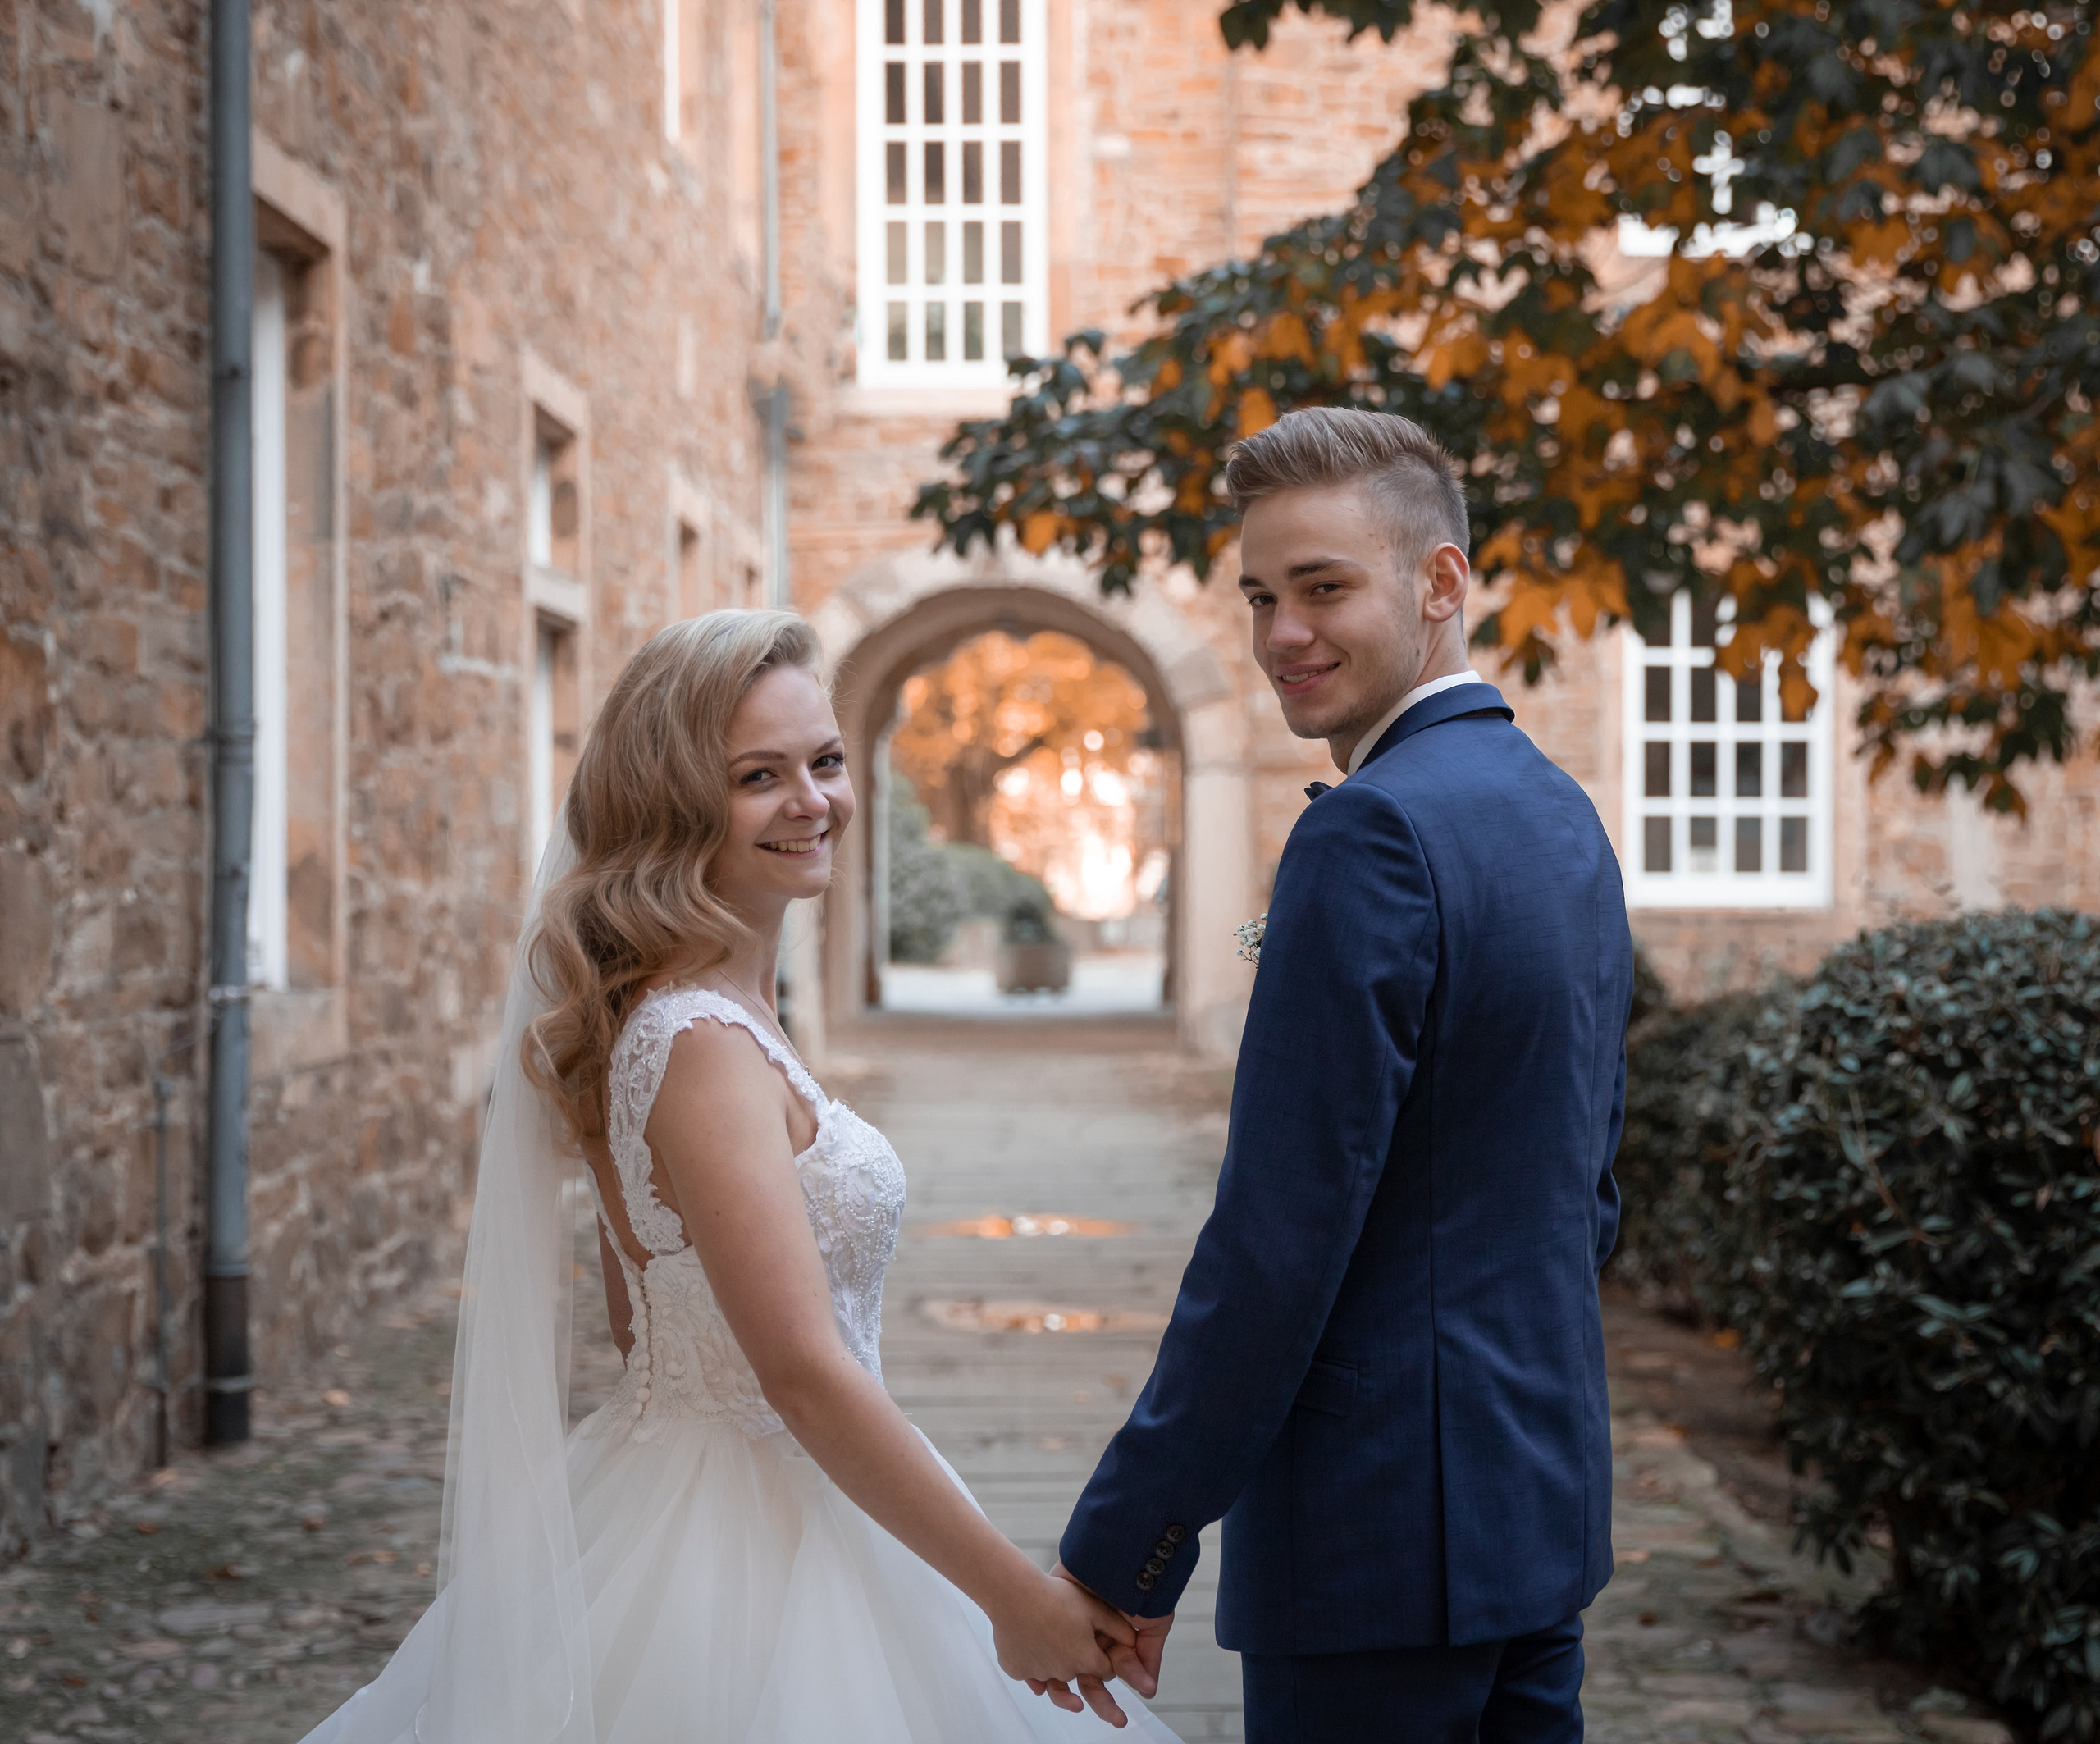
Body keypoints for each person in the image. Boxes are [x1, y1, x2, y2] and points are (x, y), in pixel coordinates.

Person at [299, 610, 1180, 1743]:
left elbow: (642, 1316)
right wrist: (1008, 1594)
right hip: (742, 1535)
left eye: (823, 760)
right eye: (757, 776)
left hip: (750, 1485)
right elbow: (802, 1375)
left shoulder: (696, 1014)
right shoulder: (703, 1044)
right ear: (676, 806)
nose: (811, 799)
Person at [1047, 409, 1634, 1742]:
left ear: (1440, 585)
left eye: (1324, 588)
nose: (1282, 636)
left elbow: (1276, 1244)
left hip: (1373, 1542)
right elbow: (1588, 1193)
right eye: (1261, 596)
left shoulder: (1368, 834)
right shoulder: (1561, 813)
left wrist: (1130, 1540)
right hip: (1538, 1511)